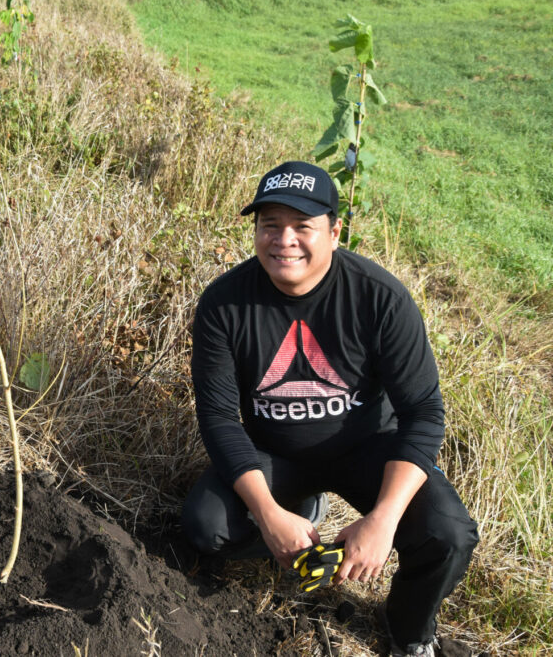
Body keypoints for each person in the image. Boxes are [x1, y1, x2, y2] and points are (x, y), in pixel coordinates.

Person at [182, 161, 478, 656]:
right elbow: (217, 419)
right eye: (270, 226)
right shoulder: (223, 304)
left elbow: (424, 412)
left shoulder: (379, 298)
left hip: (369, 449)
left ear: (335, 231)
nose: (284, 240)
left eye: (302, 226)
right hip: (274, 452)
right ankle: (301, 519)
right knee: (204, 525)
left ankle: (409, 633)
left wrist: (382, 520)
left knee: (448, 534)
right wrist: (270, 514)